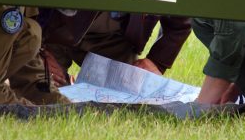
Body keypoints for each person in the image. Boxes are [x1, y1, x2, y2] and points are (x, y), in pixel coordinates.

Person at [39, 9, 191, 86]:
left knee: (124, 96)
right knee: (42, 90)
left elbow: (181, 18)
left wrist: (157, 61)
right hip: (53, 33)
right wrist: (39, 51)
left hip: (113, 40)